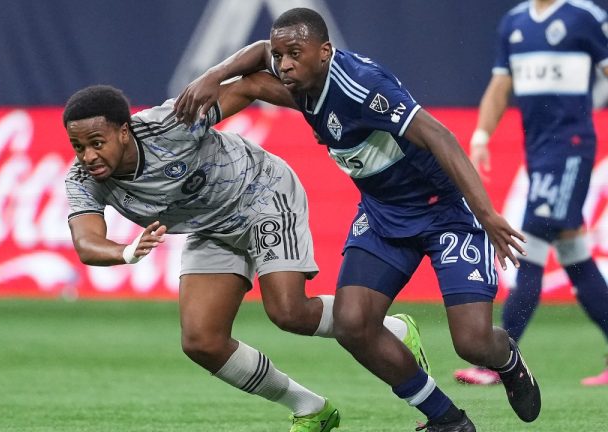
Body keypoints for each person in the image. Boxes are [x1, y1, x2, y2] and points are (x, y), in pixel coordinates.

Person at [173, 7, 542, 431]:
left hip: (444, 214)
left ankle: (508, 360)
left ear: (326, 52)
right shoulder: (299, 82)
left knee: (473, 343)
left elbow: (439, 135)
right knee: (352, 324)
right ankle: (447, 420)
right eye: (281, 55)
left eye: (295, 53)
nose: (285, 63)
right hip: (383, 215)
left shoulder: (363, 87)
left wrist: (487, 215)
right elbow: (258, 64)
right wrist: (210, 80)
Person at [63, 73, 430, 432]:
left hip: (262, 194)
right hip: (211, 228)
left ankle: (393, 329)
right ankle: (311, 409)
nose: (88, 155)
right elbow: (86, 242)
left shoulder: (172, 123)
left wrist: (320, 118)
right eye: (78, 146)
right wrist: (125, 251)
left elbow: (250, 84)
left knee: (289, 312)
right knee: (201, 341)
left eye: (97, 142)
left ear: (124, 131)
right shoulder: (81, 178)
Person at [454, 0, 608, 387]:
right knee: (574, 255)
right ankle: (500, 359)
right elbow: (500, 84)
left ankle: (499, 360)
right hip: (538, 150)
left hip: (571, 146)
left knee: (532, 242)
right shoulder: (515, 22)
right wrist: (481, 135)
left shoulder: (584, 16)